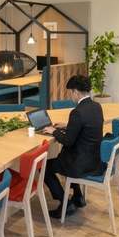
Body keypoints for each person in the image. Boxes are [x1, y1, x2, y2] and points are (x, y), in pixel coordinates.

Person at [41, 75, 105, 219]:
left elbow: (68, 141)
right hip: (95, 159)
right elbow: (87, 127)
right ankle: (77, 196)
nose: (71, 95)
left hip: (80, 164)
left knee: (44, 168)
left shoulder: (77, 112)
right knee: (63, 159)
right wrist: (68, 126)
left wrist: (54, 131)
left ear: (76, 91)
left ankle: (65, 204)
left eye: (70, 92)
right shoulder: (96, 106)